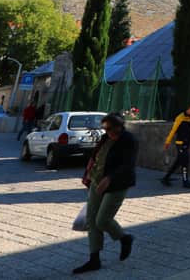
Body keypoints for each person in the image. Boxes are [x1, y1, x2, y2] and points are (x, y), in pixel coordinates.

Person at [73, 113, 137, 274]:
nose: (106, 131)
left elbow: (127, 165)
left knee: (102, 220)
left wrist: (109, 178)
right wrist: (89, 174)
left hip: (117, 185)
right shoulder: (105, 138)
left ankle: (125, 238)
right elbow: (96, 157)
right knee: (92, 220)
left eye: (109, 128)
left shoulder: (129, 140)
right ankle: (94, 260)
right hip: (97, 182)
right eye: (104, 128)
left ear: (119, 126)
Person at [161, 102, 190, 188]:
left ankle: (165, 178)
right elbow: (173, 130)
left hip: (187, 142)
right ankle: (185, 181)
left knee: (178, 162)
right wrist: (167, 142)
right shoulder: (180, 117)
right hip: (180, 143)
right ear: (189, 108)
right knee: (185, 161)